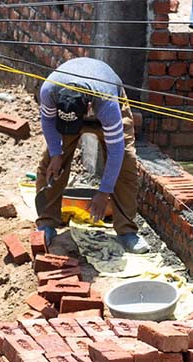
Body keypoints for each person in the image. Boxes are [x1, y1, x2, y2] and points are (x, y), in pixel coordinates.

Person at [36, 57, 151, 254]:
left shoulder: (107, 104)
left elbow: (116, 151)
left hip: (106, 94)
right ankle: (46, 223)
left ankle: (126, 231)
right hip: (75, 100)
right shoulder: (49, 91)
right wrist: (56, 154)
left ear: (88, 107)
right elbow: (47, 122)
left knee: (126, 162)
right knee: (50, 164)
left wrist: (104, 191)